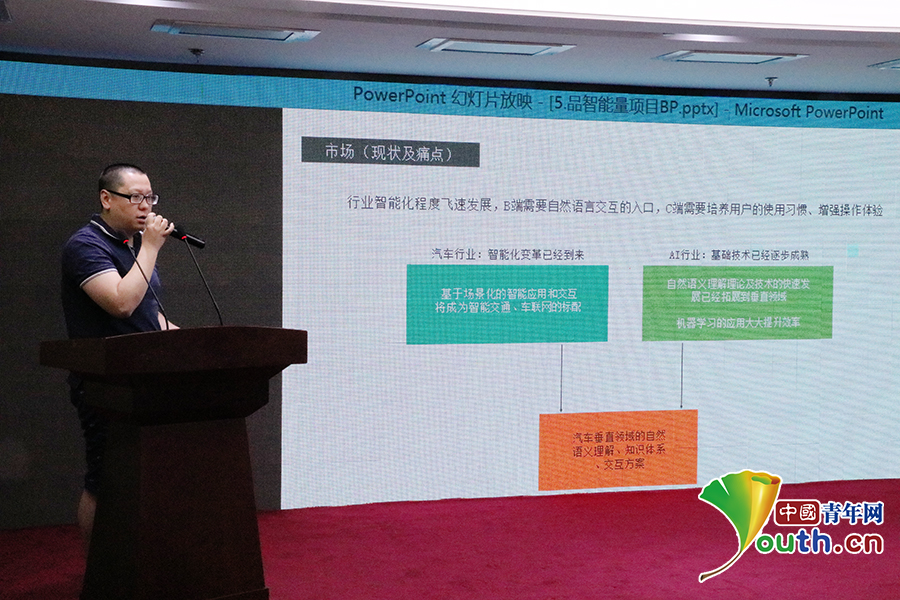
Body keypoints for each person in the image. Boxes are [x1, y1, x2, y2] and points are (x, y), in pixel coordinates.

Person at [60, 163, 177, 553]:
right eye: (136, 197)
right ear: (106, 199)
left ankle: (142, 564)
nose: (146, 206)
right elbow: (121, 303)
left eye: (150, 197)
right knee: (105, 478)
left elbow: (148, 315)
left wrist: (195, 342)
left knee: (151, 477)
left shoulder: (133, 245)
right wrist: (152, 247)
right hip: (105, 384)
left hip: (147, 379)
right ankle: (101, 573)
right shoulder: (86, 246)